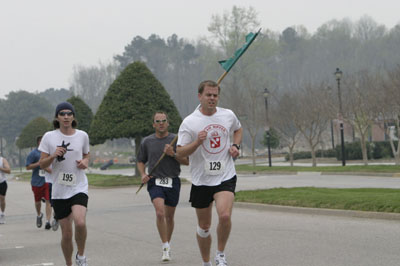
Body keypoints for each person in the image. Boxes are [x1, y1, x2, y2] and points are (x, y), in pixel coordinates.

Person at [177, 80, 242, 266]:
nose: (212, 98)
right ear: (200, 96)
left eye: (215, 95)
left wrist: (235, 145)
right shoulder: (190, 122)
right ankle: (206, 262)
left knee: (224, 216)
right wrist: (197, 142)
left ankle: (220, 255)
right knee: (204, 227)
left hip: (225, 175)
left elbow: (238, 129)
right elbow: (180, 152)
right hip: (201, 180)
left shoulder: (227, 115)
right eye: (208, 95)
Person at [39, 102, 90, 266]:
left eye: (69, 113)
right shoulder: (49, 137)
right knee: (67, 234)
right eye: (62, 114)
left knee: (80, 222)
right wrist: (53, 155)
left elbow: (87, 155)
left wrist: (85, 162)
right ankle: (69, 262)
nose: (66, 116)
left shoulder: (82, 135)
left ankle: (81, 256)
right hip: (60, 190)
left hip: (79, 186)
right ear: (57, 117)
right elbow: (42, 164)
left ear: (73, 117)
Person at [137, 111, 189, 262]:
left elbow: (187, 161)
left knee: (169, 216)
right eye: (158, 121)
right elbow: (140, 160)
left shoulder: (176, 140)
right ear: (153, 124)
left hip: (173, 180)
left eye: (163, 120)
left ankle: (168, 242)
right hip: (155, 181)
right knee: (160, 212)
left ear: (168, 123)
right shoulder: (147, 141)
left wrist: (173, 154)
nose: (161, 123)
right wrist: (142, 174)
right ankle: (165, 247)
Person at [26, 136, 52, 230]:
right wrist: (39, 164)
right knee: (37, 202)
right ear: (38, 143)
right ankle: (39, 214)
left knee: (48, 201)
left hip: (48, 181)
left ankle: (48, 221)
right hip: (37, 181)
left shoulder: (50, 152)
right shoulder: (33, 153)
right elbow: (28, 167)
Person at [0, 156, 11, 224]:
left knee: (2, 199)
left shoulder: (2, 160)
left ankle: (2, 213)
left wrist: (1, 168)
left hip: (2, 182)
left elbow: (9, 171)